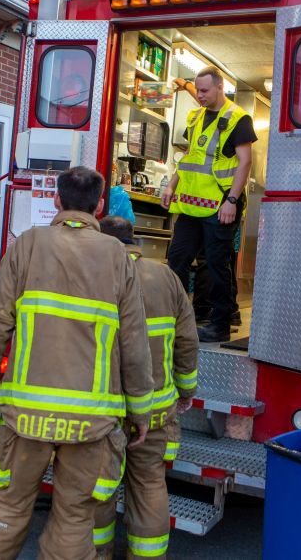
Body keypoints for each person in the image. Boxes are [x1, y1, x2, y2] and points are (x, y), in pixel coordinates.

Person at [0, 166, 154, 560]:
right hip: (91, 422)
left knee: (6, 508)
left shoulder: (27, 245)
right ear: (99, 206)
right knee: (74, 518)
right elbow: (135, 344)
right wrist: (140, 410)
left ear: (56, 200)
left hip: (25, 417)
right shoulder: (118, 257)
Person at [92, 216, 198, 560]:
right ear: (133, 240)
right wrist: (185, 390)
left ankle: (98, 552)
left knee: (99, 487)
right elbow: (187, 342)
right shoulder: (166, 277)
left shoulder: (94, 275)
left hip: (105, 408)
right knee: (150, 485)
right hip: (154, 408)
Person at [161, 66, 256, 343]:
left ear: (219, 87)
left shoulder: (238, 119)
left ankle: (220, 324)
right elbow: (190, 156)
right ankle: (176, 315)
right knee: (177, 258)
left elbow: (245, 162)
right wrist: (171, 184)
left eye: (204, 90)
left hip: (220, 204)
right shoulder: (196, 116)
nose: (199, 95)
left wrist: (232, 200)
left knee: (216, 265)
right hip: (191, 204)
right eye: (197, 90)